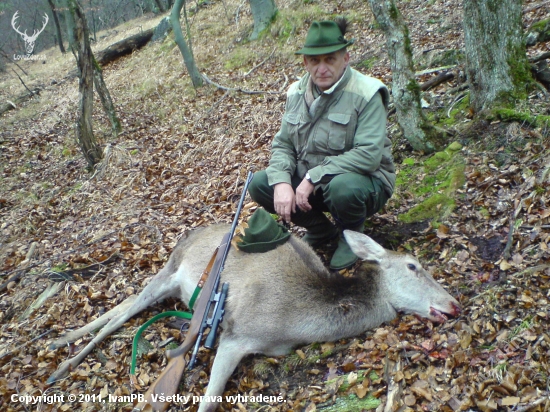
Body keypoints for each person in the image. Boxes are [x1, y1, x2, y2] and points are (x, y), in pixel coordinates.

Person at [248, 18, 395, 270]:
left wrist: (313, 177)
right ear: (306, 63)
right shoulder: (296, 92)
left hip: (363, 184)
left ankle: (351, 235)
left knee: (342, 187)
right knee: (262, 183)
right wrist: (283, 182)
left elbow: (368, 155)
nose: (322, 68)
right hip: (314, 186)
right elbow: (283, 144)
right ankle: (321, 230)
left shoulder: (367, 93)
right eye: (315, 61)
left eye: (330, 59)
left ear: (345, 59)